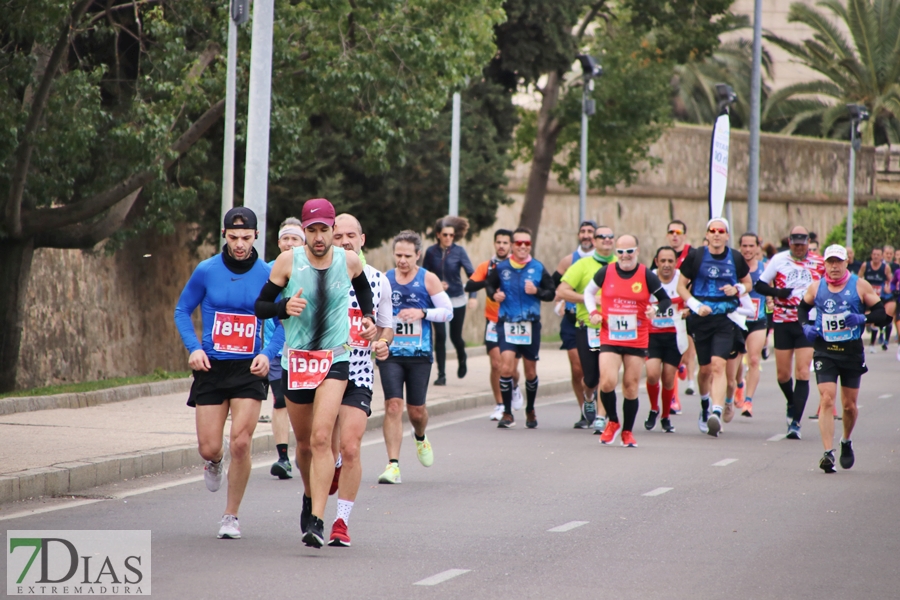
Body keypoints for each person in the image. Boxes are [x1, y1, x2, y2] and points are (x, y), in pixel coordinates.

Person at [254, 198, 374, 549]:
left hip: (334, 359)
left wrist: (366, 317)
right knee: (304, 443)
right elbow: (261, 306)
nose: (319, 237)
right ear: (304, 231)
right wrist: (283, 307)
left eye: (325, 230)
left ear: (333, 230)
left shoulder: (347, 260)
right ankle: (310, 496)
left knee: (323, 439)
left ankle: (318, 519)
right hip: (297, 362)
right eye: (312, 230)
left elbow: (363, 288)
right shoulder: (288, 262)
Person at [174, 207, 283, 539]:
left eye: (246, 238)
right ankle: (214, 461)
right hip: (212, 365)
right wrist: (193, 347)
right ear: (224, 235)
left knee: (241, 442)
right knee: (210, 447)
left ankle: (230, 516)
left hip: (249, 367)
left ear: (255, 237)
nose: (239, 244)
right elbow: (182, 310)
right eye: (233, 237)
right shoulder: (207, 270)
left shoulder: (269, 273)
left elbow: (282, 324)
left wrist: (268, 354)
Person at [327, 213, 394, 546]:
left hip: (358, 371)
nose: (345, 242)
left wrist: (381, 342)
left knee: (351, 445)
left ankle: (341, 522)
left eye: (351, 236)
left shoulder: (379, 280)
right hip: (322, 372)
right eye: (338, 236)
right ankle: (331, 464)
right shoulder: (318, 276)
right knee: (318, 447)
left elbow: (387, 327)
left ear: (362, 240)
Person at [799, 245, 888, 473]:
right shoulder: (816, 287)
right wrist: (806, 326)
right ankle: (828, 453)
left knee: (849, 406)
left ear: (846, 262)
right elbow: (802, 308)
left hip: (850, 352)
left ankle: (845, 440)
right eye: (830, 262)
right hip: (825, 350)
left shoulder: (859, 285)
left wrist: (861, 318)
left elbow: (883, 315)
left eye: (838, 261)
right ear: (825, 264)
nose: (834, 266)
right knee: (827, 398)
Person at [376, 230, 454, 484]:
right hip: (391, 353)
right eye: (398, 255)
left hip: (419, 354)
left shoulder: (427, 279)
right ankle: (393, 465)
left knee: (416, 411)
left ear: (418, 255)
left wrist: (422, 313)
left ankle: (420, 437)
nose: (402, 260)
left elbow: (448, 312)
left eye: (408, 256)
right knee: (393, 406)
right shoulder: (385, 279)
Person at [584, 235, 671, 447]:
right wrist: (593, 312)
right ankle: (612, 421)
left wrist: (654, 309)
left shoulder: (646, 275)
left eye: (629, 251)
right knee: (606, 382)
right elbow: (588, 292)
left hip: (636, 337)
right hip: (610, 335)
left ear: (637, 251)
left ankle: (627, 432)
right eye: (621, 252)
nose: (625, 256)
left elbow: (665, 299)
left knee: (630, 386)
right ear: (616, 253)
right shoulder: (606, 271)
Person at [677, 218, 752, 438]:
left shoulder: (735, 258)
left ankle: (716, 413)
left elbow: (749, 283)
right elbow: (681, 286)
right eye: (713, 230)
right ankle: (704, 406)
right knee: (706, 370)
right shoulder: (696, 256)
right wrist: (695, 305)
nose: (717, 234)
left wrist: (738, 288)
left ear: (727, 236)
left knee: (719, 365)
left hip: (725, 319)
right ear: (707, 234)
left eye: (721, 231)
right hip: (700, 320)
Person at [754, 226, 824, 439]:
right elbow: (759, 285)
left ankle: (795, 422)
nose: (799, 249)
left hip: (806, 321)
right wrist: (777, 292)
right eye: (795, 245)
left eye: (803, 245)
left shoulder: (819, 262)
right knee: (783, 374)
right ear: (790, 243)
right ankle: (791, 402)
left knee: (802, 372)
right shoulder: (778, 259)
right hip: (783, 320)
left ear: (808, 244)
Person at [485, 227, 557, 429]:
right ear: (513, 246)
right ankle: (507, 413)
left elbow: (551, 293)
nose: (523, 246)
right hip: (507, 322)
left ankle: (530, 409)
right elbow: (489, 285)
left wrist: (537, 291)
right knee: (505, 367)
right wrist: (494, 295)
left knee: (530, 372)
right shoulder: (501, 268)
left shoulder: (538, 267)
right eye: (519, 243)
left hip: (530, 325)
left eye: (527, 243)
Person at [556, 224, 616, 433]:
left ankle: (601, 417)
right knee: (590, 378)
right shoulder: (582, 265)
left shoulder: (621, 264)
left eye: (610, 237)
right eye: (602, 237)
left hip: (613, 329)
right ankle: (588, 397)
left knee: (606, 375)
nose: (606, 240)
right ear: (595, 241)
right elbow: (562, 291)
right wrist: (588, 297)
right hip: (587, 327)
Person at [465, 229, 523, 420]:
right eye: (498, 242)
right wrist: (489, 282)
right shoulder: (487, 266)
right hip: (493, 320)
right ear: (494, 244)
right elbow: (469, 286)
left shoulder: (519, 265)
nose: (501, 246)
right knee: (496, 364)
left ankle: (514, 387)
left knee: (512, 369)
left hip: (515, 321)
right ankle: (500, 404)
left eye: (505, 243)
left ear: (511, 245)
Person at [264, 217, 305, 480]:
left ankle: (306, 451)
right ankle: (282, 458)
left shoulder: (311, 269)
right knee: (279, 400)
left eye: (295, 238)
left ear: (304, 243)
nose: (289, 243)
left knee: (301, 406)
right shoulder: (266, 270)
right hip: (275, 349)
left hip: (304, 349)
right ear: (279, 243)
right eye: (285, 238)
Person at [552, 221, 597, 427]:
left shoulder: (607, 261)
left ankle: (600, 410)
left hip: (599, 322)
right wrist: (560, 301)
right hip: (574, 321)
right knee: (578, 369)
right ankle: (584, 411)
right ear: (578, 235)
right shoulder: (569, 260)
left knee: (596, 370)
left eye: (590, 232)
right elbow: (555, 288)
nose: (586, 235)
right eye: (583, 232)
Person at [423, 216, 475, 385]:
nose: (448, 238)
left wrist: (473, 296)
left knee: (455, 337)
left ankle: (462, 356)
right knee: (440, 336)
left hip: (457, 299)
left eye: (451, 235)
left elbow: (472, 275)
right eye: (445, 235)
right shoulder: (431, 252)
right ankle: (441, 375)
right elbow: (423, 275)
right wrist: (436, 285)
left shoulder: (459, 252)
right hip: (438, 300)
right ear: (438, 235)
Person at [643, 246, 685, 434]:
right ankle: (654, 408)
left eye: (670, 261)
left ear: (676, 262)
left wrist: (687, 311)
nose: (666, 265)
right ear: (656, 261)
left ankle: (666, 416)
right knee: (652, 374)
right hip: (652, 334)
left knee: (668, 379)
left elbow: (691, 300)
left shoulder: (682, 280)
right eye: (663, 261)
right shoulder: (648, 277)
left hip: (674, 335)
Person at [733, 233, 768, 418]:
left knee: (754, 359)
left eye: (751, 246)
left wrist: (771, 299)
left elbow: (772, 287)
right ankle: (739, 384)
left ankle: (748, 401)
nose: (747, 249)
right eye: (744, 246)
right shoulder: (733, 267)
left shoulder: (764, 268)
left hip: (757, 320)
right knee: (736, 360)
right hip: (737, 320)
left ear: (757, 247)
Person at [666, 219, 696, 401]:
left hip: (687, 306)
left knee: (689, 347)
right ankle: (674, 395)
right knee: (673, 348)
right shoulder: (663, 254)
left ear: (684, 235)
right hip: (670, 308)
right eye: (671, 233)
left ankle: (691, 381)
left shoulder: (692, 254)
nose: (674, 236)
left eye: (678, 233)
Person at [858, 247, 893, 351]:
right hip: (868, 296)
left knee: (882, 317)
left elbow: (891, 281)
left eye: (878, 255)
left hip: (880, 297)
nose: (876, 257)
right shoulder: (866, 265)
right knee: (868, 319)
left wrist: (888, 287)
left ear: (881, 256)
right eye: (874, 254)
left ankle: (876, 342)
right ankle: (870, 339)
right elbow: (858, 279)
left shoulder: (885, 267)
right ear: (871, 255)